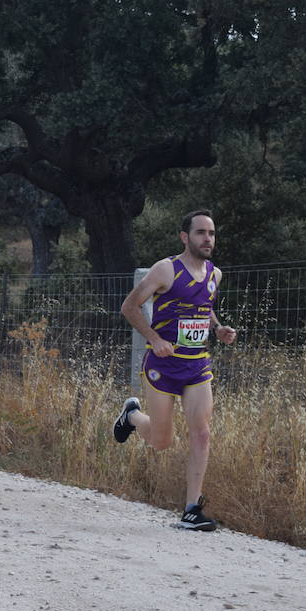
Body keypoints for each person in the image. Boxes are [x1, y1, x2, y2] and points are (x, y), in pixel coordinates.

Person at [113, 209, 238, 531]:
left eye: (211, 233)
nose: (207, 239)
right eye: (200, 233)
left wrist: (218, 328)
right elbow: (129, 306)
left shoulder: (214, 274)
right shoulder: (166, 270)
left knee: (202, 432)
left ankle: (192, 509)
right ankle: (132, 416)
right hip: (163, 366)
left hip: (197, 365)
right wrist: (154, 339)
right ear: (185, 237)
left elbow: (203, 307)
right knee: (161, 441)